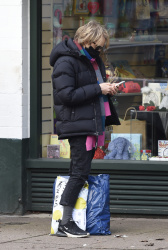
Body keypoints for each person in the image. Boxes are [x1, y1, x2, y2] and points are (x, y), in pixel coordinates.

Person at [50, 20, 120, 238]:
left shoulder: (90, 60)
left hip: (89, 122)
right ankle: (65, 222)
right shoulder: (66, 62)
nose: (99, 51)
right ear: (85, 41)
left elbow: (90, 91)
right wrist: (98, 88)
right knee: (78, 173)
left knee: (79, 172)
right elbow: (66, 96)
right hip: (77, 124)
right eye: (97, 46)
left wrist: (106, 89)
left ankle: (68, 220)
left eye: (102, 47)